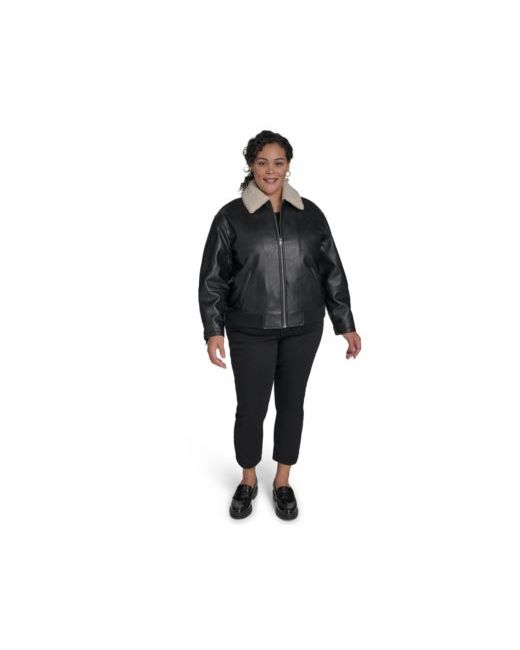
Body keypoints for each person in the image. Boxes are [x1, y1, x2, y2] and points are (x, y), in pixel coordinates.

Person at [198, 129, 362, 520]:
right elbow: (212, 279)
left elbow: (332, 271)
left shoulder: (310, 214)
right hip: (250, 329)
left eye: (278, 162)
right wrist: (214, 330)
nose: (270, 170)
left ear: (288, 166)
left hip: (304, 328)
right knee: (250, 410)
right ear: (250, 165)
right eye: (262, 162)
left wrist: (345, 323)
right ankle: (248, 479)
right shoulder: (230, 217)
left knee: (292, 406)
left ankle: (283, 481)